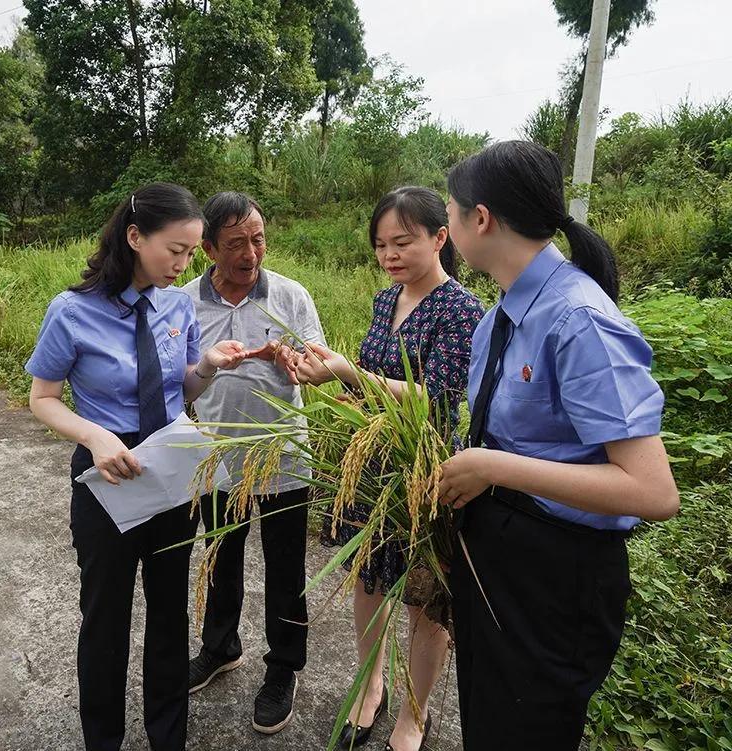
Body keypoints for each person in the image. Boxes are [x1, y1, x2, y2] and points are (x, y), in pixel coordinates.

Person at [437, 141, 680, 751]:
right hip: (499, 552)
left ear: (481, 218)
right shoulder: (503, 315)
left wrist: (493, 466)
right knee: (491, 722)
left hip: (557, 573)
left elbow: (651, 492)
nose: (446, 226)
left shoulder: (577, 319)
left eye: (449, 213)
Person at [25, 183, 248, 751]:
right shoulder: (72, 311)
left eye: (190, 253)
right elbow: (42, 397)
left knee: (170, 613)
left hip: (170, 467)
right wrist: (96, 436)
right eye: (174, 250)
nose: (183, 264)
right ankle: (103, 739)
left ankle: (167, 735)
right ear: (134, 237)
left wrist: (210, 366)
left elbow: (185, 387)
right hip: (107, 475)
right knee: (105, 618)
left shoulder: (178, 304)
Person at [292, 186, 484, 751]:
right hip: (372, 470)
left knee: (424, 602)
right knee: (370, 582)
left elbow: (440, 401)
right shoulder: (385, 301)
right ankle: (369, 685)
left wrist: (348, 374)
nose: (390, 255)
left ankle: (415, 714)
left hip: (425, 477)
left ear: (440, 238)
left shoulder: (462, 311)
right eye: (381, 245)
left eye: (403, 242)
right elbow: (373, 387)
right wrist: (334, 383)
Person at [182, 191, 326, 735]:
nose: (251, 252)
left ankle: (283, 668)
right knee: (220, 559)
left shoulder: (290, 297)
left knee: (287, 570)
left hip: (283, 457)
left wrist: (299, 364)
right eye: (237, 242)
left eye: (259, 238)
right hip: (217, 459)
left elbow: (319, 361)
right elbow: (181, 376)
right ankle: (220, 647)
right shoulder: (186, 303)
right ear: (209, 249)